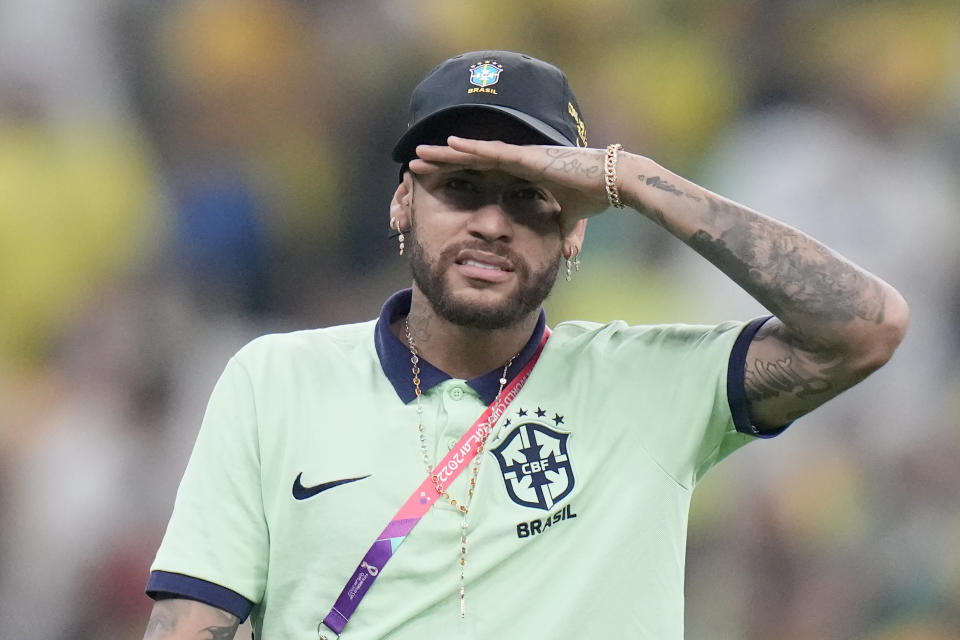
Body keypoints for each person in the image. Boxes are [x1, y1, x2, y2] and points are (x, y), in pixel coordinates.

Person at [142, 50, 908, 639]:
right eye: (461, 188)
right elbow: (190, 623)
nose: (491, 223)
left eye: (529, 197)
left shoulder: (647, 382)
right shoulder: (277, 379)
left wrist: (632, 180)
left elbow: (863, 328)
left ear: (575, 228)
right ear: (403, 201)